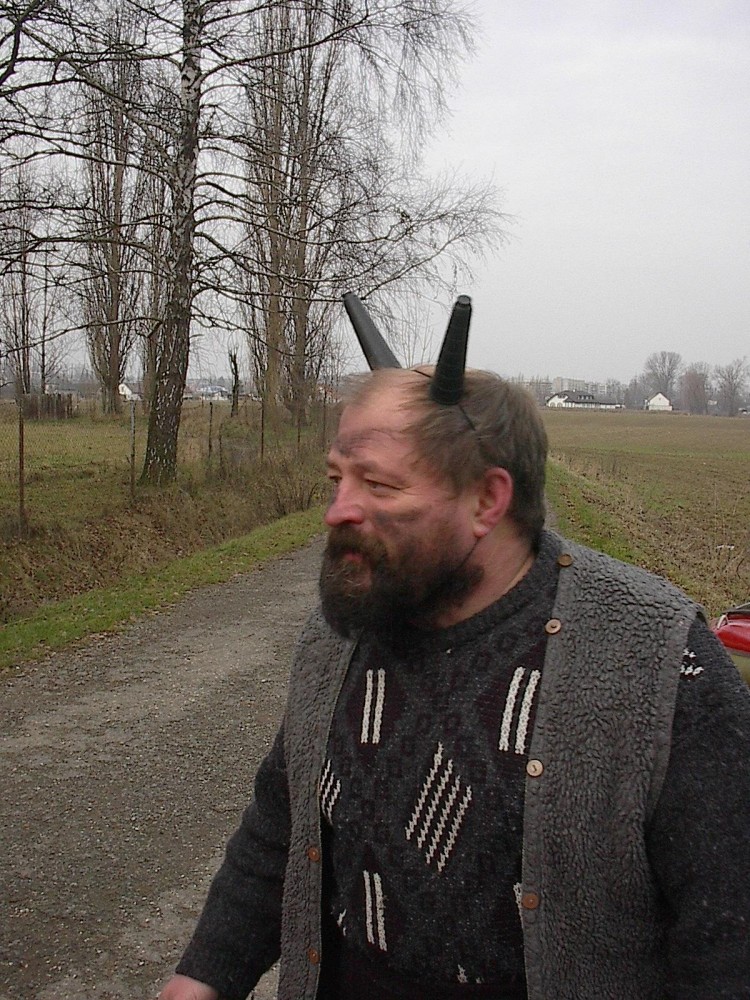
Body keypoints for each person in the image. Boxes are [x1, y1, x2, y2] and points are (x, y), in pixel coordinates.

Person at [159, 295, 750, 1000]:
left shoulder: (657, 661)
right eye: (337, 479)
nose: (338, 510)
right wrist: (202, 975)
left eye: (380, 485)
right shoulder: (340, 633)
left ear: (486, 501)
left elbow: (728, 941)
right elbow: (281, 828)